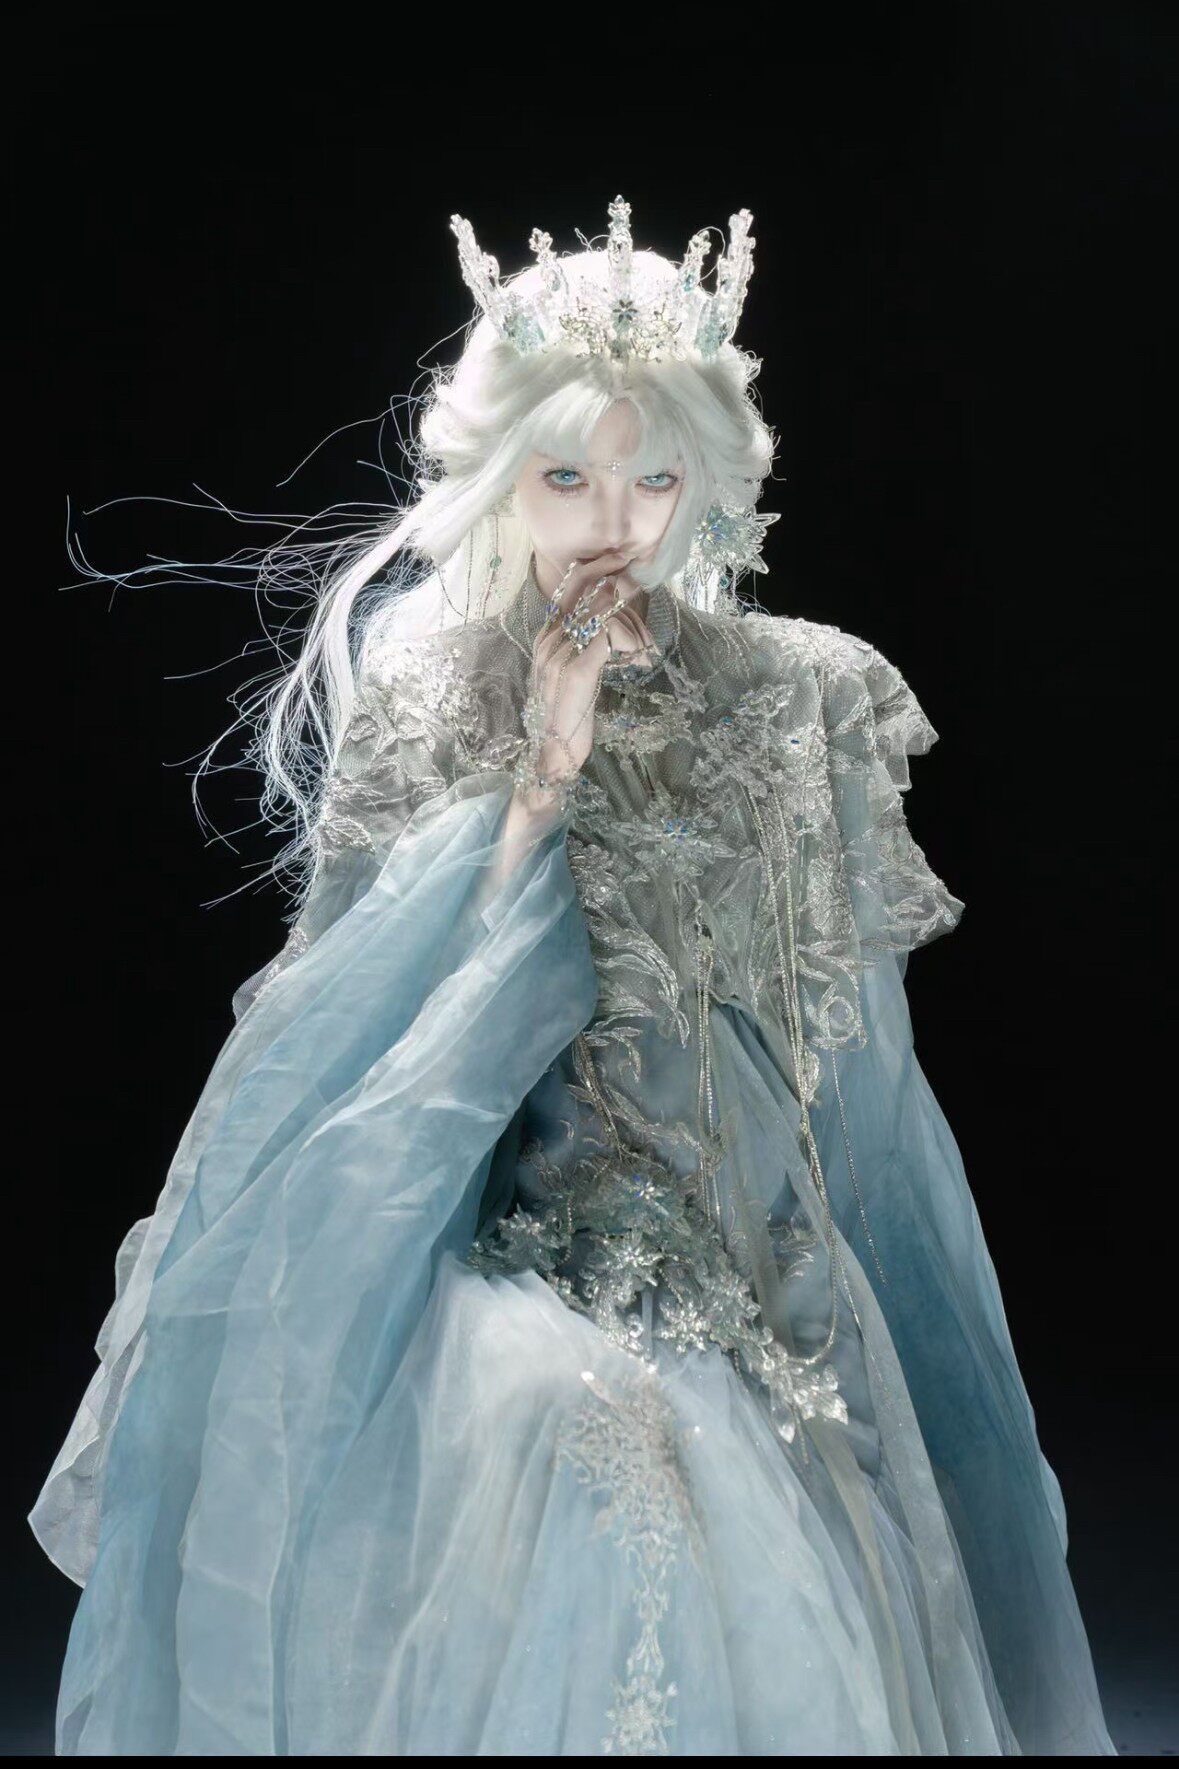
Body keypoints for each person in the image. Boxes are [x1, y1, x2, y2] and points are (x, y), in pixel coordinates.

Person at [30, 196, 1116, 1755]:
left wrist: (831, 1315)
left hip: (740, 1259)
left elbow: (851, 1076)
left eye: (654, 477)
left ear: (708, 484)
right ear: (503, 477)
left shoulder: (796, 694)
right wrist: (538, 786)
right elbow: (352, 1033)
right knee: (575, 1429)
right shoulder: (433, 684)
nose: (614, 523)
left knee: (733, 1463)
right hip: (483, 1239)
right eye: (567, 478)